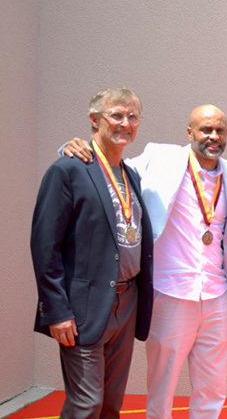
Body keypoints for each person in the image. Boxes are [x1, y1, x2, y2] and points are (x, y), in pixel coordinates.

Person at [61, 105, 227, 418]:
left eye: (220, 131)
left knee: (213, 388)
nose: (213, 137)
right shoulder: (160, 158)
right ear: (189, 132)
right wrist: (70, 149)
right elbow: (108, 167)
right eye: (205, 130)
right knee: (163, 386)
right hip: (171, 294)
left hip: (217, 295)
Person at [31, 87, 154, 418]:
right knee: (87, 405)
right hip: (83, 305)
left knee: (112, 405)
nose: (125, 123)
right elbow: (45, 246)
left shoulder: (131, 175)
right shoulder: (68, 170)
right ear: (94, 119)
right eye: (116, 114)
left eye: (132, 116)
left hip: (127, 304)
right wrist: (56, 310)